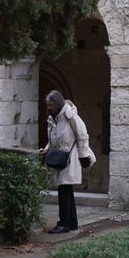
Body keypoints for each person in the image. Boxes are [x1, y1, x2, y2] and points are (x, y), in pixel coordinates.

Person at [38, 90, 95, 234]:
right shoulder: (53, 118)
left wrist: (83, 155)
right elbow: (53, 138)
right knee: (66, 190)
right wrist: (46, 150)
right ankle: (72, 222)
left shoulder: (70, 115)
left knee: (64, 190)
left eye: (51, 104)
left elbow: (82, 134)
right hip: (60, 157)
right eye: (48, 105)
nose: (49, 107)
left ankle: (64, 223)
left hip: (70, 157)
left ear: (57, 103)